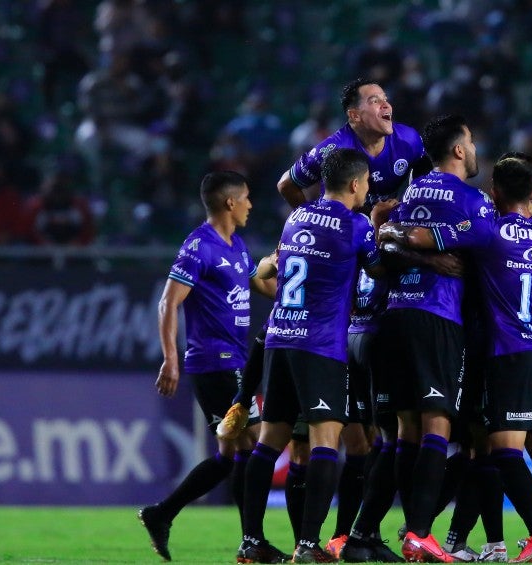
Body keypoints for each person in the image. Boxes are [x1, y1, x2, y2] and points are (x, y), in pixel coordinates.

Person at [381, 152, 532, 563]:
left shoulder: (489, 230)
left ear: (493, 193)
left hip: (509, 353)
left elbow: (423, 239)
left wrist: (388, 225)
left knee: (501, 450)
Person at [238, 148, 388, 564]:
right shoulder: (357, 224)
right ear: (357, 184)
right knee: (325, 442)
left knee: (269, 443)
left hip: (280, 338)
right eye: (366, 183)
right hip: (319, 345)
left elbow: (277, 268)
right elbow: (379, 272)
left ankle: (250, 541)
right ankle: (307, 545)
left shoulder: (296, 218)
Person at [138, 170, 277, 563]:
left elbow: (264, 286)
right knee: (253, 441)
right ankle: (253, 542)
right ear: (229, 202)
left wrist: (293, 273)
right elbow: (169, 302)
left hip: (235, 358)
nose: (251, 204)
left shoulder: (236, 244)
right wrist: (170, 358)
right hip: (215, 361)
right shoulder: (199, 246)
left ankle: (161, 513)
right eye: (247, 197)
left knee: (230, 454)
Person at [377, 114, 494, 563]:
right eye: (472, 138)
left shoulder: (408, 193)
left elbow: (384, 241)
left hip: (394, 313)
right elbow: (484, 235)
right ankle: (420, 533)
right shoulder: (471, 199)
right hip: (437, 315)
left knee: (405, 427)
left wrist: (399, 235)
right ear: (459, 149)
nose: (475, 147)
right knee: (437, 425)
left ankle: (392, 527)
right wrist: (434, 248)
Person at [276, 78, 426, 209]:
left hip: (386, 230)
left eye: (385, 99)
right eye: (375, 101)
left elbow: (433, 173)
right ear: (355, 115)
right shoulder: (334, 149)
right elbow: (286, 185)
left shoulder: (409, 138)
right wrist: (311, 218)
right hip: (344, 234)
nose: (386, 105)